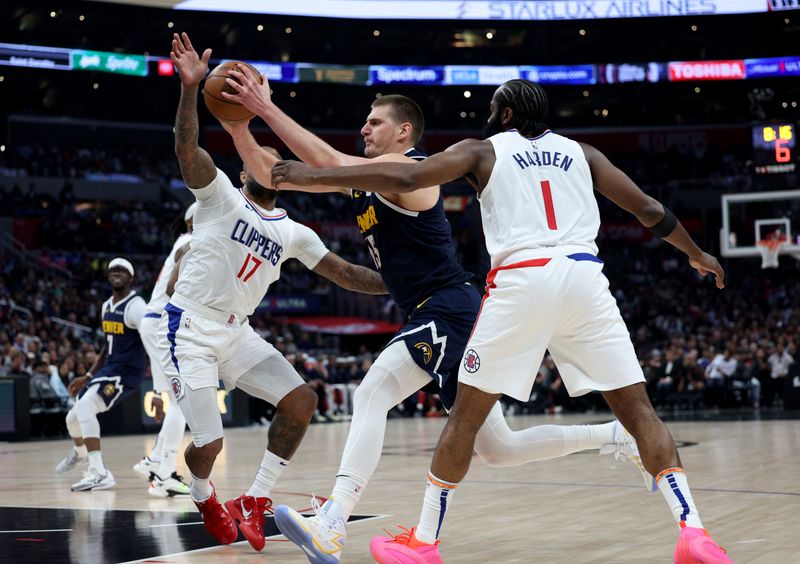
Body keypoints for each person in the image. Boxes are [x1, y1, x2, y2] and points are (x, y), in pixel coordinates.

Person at [271, 79, 732, 564]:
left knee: (464, 419)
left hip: (521, 282)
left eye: (492, 109)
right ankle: (693, 532)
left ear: (507, 115)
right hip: (584, 279)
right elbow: (649, 210)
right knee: (637, 413)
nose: (486, 117)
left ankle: (423, 542)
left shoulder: (482, 150)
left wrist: (308, 177)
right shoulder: (584, 153)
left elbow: (408, 179)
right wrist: (696, 253)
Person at [162, 32, 388, 553]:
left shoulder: (294, 232)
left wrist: (407, 282)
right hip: (191, 325)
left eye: (274, 158)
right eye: (257, 155)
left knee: (302, 400)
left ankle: (255, 500)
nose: (266, 161)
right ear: (244, 168)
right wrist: (190, 89)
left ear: (281, 174)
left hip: (237, 333)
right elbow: (184, 147)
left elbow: (347, 274)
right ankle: (203, 493)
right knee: (209, 443)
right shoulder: (219, 197)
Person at [55, 257, 147, 492]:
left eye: (122, 270)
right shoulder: (107, 306)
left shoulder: (136, 307)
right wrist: (88, 375)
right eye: (112, 270)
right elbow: (108, 346)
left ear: (131, 277)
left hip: (126, 373)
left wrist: (158, 382)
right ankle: (80, 452)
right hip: (109, 369)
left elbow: (151, 342)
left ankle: (99, 472)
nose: (116, 273)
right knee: (71, 419)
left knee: (85, 407)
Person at [132, 203, 196, 498]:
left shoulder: (184, 240)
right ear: (194, 220)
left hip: (156, 320)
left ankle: (155, 460)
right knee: (184, 400)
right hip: (163, 321)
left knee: (178, 398)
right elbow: (178, 288)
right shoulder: (190, 241)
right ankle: (163, 473)